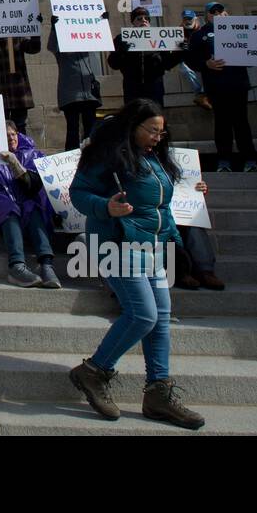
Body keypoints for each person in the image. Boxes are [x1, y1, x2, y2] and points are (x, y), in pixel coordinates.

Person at [67, 99, 208, 430]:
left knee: (160, 319)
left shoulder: (155, 160)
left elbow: (162, 208)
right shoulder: (107, 155)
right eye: (152, 131)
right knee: (142, 314)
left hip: (154, 248)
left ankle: (158, 392)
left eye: (162, 131)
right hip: (116, 243)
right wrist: (106, 207)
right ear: (133, 126)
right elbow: (79, 193)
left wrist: (176, 242)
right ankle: (94, 372)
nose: (158, 137)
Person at [0, 121, 60, 288]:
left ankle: (46, 264)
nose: (11, 138)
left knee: (32, 206)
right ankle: (16, 266)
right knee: (8, 207)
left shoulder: (32, 155)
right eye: (6, 135)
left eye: (13, 134)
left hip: (25, 206)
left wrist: (14, 163)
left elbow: (33, 186)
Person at [186, 1, 257, 172]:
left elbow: (253, 51)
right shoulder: (199, 35)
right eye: (213, 11)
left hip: (238, 84)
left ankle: (250, 160)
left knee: (242, 123)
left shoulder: (238, 30)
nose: (217, 14)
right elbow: (190, 59)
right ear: (207, 15)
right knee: (222, 124)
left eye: (221, 11)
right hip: (216, 86)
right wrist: (206, 64)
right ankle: (224, 161)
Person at [47, 15, 104, 150]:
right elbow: (51, 46)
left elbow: (100, 39)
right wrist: (54, 28)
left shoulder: (85, 46)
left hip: (88, 94)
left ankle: (91, 156)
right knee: (72, 128)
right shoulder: (61, 49)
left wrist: (102, 22)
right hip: (70, 94)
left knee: (90, 127)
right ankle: (71, 157)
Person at [108, 5, 184, 106]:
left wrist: (180, 52)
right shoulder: (122, 38)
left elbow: (167, 64)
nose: (144, 21)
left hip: (154, 86)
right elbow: (113, 64)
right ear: (133, 22)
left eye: (147, 19)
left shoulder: (159, 37)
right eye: (139, 18)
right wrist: (121, 52)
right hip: (132, 87)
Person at [0, 29, 42, 135]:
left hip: (19, 91)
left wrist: (35, 31)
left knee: (20, 127)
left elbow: (34, 48)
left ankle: (20, 151)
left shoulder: (18, 37)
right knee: (1, 127)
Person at [178, 9, 210, 109]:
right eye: (185, 19)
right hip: (188, 59)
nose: (187, 21)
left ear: (195, 19)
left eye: (190, 19)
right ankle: (200, 94)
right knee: (184, 68)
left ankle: (204, 94)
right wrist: (180, 46)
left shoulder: (203, 30)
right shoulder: (178, 31)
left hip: (202, 58)